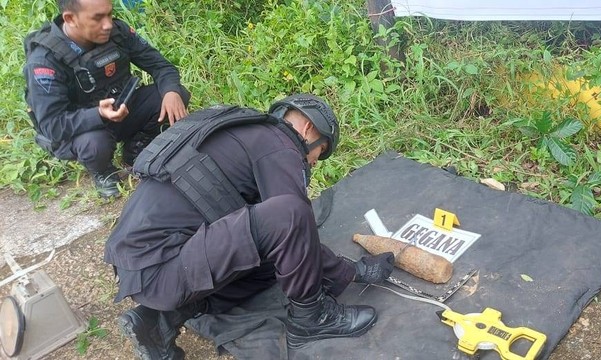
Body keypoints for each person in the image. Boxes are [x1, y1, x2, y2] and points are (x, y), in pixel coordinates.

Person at [103, 93, 396, 359]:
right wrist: (353, 271)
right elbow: (290, 221)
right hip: (165, 266)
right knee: (292, 212)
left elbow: (278, 241)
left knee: (273, 260)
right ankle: (312, 318)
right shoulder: (280, 144)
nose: (315, 163)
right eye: (320, 153)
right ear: (308, 130)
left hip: (145, 266)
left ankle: (156, 321)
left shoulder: (244, 134)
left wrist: (342, 271)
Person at [23, 0, 190, 198]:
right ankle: (102, 172)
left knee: (175, 95)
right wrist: (98, 115)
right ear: (70, 18)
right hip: (83, 128)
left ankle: (135, 150)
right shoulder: (45, 60)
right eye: (97, 18)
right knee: (95, 144)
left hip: (121, 109)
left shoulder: (117, 32)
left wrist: (171, 91)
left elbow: (161, 66)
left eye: (109, 14)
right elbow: (52, 125)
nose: (108, 24)